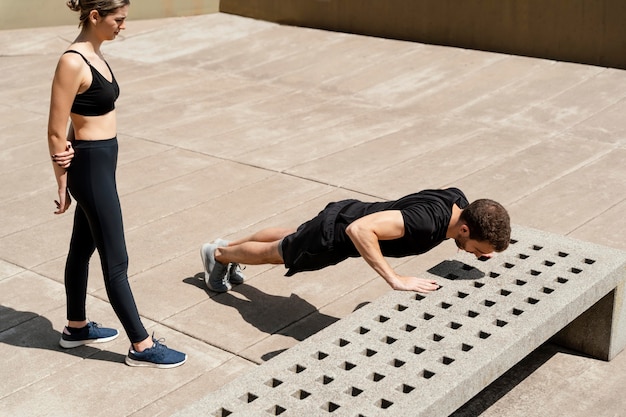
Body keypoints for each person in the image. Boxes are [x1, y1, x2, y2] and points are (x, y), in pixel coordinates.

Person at [47, 0, 186, 368]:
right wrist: (64, 183)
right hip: (91, 168)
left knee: (82, 249)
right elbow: (55, 128)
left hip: (99, 165)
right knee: (116, 260)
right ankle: (141, 345)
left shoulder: (95, 54)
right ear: (95, 16)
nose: (123, 26)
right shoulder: (72, 61)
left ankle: (75, 327)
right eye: (118, 20)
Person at [201, 188, 510, 293]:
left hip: (346, 211)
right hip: (334, 234)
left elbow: (479, 219)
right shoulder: (425, 222)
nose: (474, 255)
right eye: (477, 250)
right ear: (466, 230)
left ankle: (225, 246)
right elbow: (359, 231)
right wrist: (394, 278)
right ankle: (220, 256)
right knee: (276, 252)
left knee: (289, 236)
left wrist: (487, 247)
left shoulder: (457, 203)